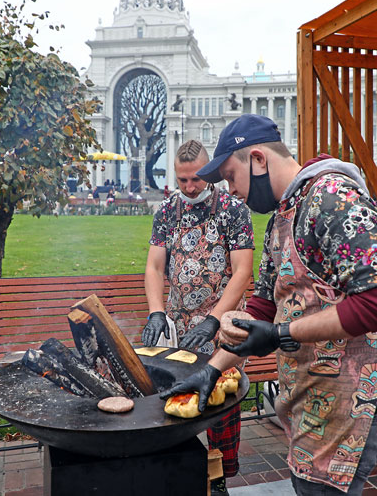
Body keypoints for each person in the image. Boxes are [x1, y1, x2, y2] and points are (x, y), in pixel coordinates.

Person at [160, 115, 377, 495]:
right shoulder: (282, 216)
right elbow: (263, 305)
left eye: (230, 176)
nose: (231, 190)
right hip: (312, 396)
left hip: (354, 397)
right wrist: (213, 370)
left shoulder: (332, 197)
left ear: (258, 159)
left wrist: (281, 333)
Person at [142, 139, 254, 495]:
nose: (189, 187)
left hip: (224, 325)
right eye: (182, 180)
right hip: (180, 325)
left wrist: (214, 319)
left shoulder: (233, 210)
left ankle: (219, 477)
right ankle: (183, 471)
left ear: (208, 173)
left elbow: (242, 272)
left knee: (220, 400)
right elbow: (154, 265)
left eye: (195, 179)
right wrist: (157, 312)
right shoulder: (166, 211)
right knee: (181, 399)